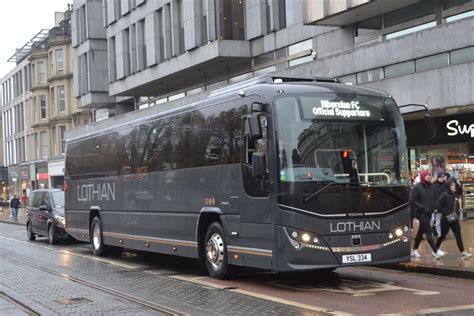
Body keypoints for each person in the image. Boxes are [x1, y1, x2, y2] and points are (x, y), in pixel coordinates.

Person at [410, 170, 446, 259]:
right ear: (422, 176)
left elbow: (435, 198)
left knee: (420, 233)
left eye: (429, 175)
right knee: (428, 232)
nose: (428, 176)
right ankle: (436, 251)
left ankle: (414, 250)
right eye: (426, 175)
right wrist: (422, 206)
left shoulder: (431, 186)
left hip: (429, 213)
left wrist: (435, 206)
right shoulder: (417, 187)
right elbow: (412, 200)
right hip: (421, 213)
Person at [436, 180, 472, 259]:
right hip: (445, 220)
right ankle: (435, 250)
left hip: (454, 219)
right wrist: (447, 213)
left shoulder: (455, 195)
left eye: (454, 185)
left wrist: (457, 214)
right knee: (442, 235)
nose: (454, 186)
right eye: (452, 185)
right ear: (448, 186)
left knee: (458, 235)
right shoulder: (444, 195)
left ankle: (463, 252)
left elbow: (458, 207)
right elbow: (439, 207)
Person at [432, 171, 447, 237]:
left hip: (445, 207)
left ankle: (443, 234)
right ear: (437, 178)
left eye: (443, 177)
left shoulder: (446, 185)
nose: (442, 178)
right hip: (438, 207)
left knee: (444, 222)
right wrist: (435, 207)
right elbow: (433, 198)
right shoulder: (434, 186)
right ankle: (439, 235)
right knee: (438, 222)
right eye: (440, 177)